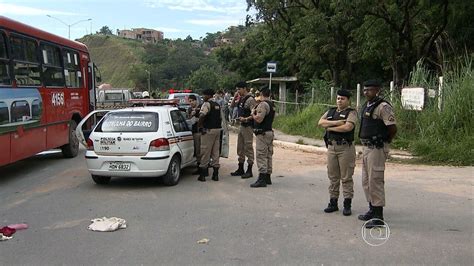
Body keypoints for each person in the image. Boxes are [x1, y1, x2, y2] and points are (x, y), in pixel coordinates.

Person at [358, 79, 397, 228]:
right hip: (367, 148)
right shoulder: (367, 105)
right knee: (366, 180)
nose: (366, 92)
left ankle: (378, 216)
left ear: (377, 91)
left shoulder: (383, 107)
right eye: (365, 90)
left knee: (375, 180)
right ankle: (371, 209)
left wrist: (385, 141)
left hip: (377, 148)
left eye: (370, 90)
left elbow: (392, 128)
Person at [318, 89, 358, 215]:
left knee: (346, 177)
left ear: (348, 100)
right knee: (333, 177)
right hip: (331, 147)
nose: (340, 101)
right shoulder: (331, 111)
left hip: (345, 148)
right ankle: (333, 202)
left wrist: (329, 128)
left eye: (343, 99)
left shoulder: (351, 112)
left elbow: (348, 127)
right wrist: (335, 123)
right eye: (338, 98)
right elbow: (320, 122)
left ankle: (347, 204)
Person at [230, 81, 257, 179]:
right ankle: (240, 168)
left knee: (248, 147)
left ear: (245, 88)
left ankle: (249, 170)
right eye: (237, 89)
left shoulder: (250, 100)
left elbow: (254, 114)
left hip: (248, 126)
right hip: (241, 126)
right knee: (240, 148)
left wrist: (246, 119)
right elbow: (232, 106)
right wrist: (235, 96)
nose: (238, 91)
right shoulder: (241, 99)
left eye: (239, 89)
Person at [249, 88, 275, 188]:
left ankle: (262, 179)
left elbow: (259, 119)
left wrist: (253, 114)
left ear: (261, 94)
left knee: (261, 155)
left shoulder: (263, 104)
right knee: (268, 155)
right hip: (269, 132)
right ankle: (268, 177)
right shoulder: (272, 105)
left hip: (262, 133)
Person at [197, 89, 222, 182]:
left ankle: (203, 175)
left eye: (204, 95)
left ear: (208, 95)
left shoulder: (207, 104)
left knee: (205, 151)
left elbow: (202, 115)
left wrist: (199, 126)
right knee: (215, 152)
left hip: (208, 130)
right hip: (217, 130)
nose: (203, 97)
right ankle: (215, 175)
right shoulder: (217, 105)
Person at [187, 94, 202, 174]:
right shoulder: (189, 109)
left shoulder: (201, 107)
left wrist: (197, 118)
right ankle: (199, 166)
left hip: (201, 132)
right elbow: (188, 118)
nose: (191, 102)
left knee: (201, 150)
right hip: (194, 132)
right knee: (197, 150)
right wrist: (191, 115)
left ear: (196, 100)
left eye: (192, 101)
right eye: (190, 101)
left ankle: (202, 167)